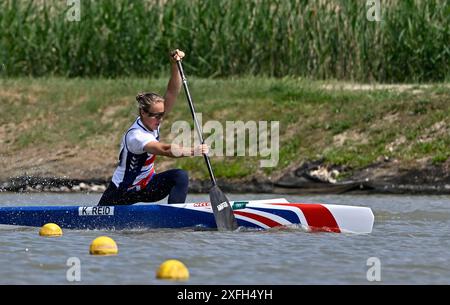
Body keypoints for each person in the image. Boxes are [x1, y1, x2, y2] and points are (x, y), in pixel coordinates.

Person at [98, 49, 208, 206]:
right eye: (156, 115)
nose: (160, 119)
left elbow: (172, 92)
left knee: (180, 176)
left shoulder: (154, 118)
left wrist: (175, 65)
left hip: (147, 186)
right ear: (142, 112)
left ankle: (174, 217)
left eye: (162, 115)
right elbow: (164, 150)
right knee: (96, 222)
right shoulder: (136, 136)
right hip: (122, 192)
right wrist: (193, 151)